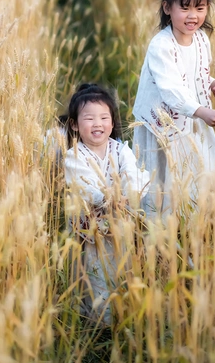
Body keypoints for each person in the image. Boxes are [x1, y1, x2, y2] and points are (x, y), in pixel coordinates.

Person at [132, 0, 215, 219]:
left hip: (192, 117)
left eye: (200, 8)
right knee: (163, 176)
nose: (193, 16)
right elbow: (172, 88)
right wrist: (201, 111)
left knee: (197, 170)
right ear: (167, 8)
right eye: (184, 8)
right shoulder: (160, 46)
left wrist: (212, 85)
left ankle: (193, 218)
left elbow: (197, 74)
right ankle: (160, 225)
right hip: (162, 123)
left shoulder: (200, 39)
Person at [63, 83, 150, 325]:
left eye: (104, 117)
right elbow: (87, 187)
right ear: (75, 125)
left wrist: (128, 193)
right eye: (89, 118)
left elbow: (134, 175)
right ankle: (100, 323)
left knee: (122, 267)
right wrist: (110, 196)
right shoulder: (74, 156)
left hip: (120, 224)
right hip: (90, 229)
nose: (97, 123)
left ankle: (126, 313)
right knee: (95, 272)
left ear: (112, 123)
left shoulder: (121, 150)